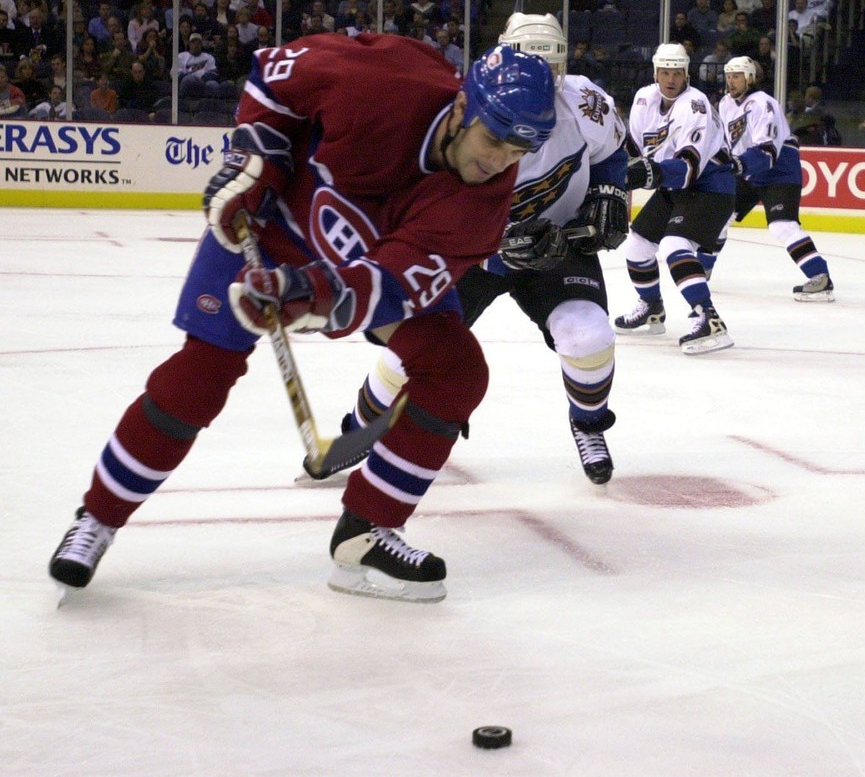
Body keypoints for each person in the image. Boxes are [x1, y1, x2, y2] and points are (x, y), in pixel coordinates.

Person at [47, 37, 557, 604]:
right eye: (492, 140)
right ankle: (98, 517)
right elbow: (273, 75)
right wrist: (252, 166)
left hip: (350, 266)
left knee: (456, 370)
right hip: (268, 227)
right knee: (200, 375)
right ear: (463, 108)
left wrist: (309, 296)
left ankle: (366, 536)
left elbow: (387, 285)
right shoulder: (386, 79)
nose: (497, 163)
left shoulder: (482, 202)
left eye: (516, 152)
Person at [335, 14, 630, 485]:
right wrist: (495, 248)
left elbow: (612, 153)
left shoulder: (584, 103)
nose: (542, 81)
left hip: (556, 241)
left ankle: (589, 424)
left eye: (551, 69)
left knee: (588, 335)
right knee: (403, 355)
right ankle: (359, 430)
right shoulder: (459, 110)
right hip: (466, 251)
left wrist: (612, 194)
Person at [614, 43, 736, 354]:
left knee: (673, 245)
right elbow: (635, 153)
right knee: (637, 244)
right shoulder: (644, 99)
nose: (671, 79)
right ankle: (652, 307)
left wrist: (647, 173)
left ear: (686, 75)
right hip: (674, 186)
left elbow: (688, 170)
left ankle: (709, 320)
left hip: (711, 185)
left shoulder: (695, 105)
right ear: (655, 72)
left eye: (677, 73)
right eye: (665, 72)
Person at [715, 56, 834, 300]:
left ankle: (820, 278)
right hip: (749, 168)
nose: (731, 81)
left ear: (750, 78)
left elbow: (767, 151)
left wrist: (738, 165)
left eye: (737, 75)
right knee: (719, 216)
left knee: (783, 225)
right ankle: (701, 270)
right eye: (729, 75)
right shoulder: (726, 104)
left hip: (779, 169)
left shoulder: (763, 103)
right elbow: (730, 144)